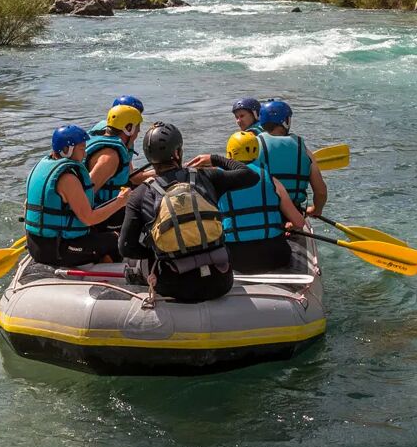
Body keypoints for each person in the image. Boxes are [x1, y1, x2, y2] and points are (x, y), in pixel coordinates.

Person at [118, 121, 260, 303]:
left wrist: (159, 250)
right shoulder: (206, 176)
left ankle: (136, 279)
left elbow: (126, 247)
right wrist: (214, 159)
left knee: (136, 260)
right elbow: (250, 176)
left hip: (175, 287)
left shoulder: (140, 194)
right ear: (177, 153)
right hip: (220, 282)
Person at [24, 124, 127, 266]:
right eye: (82, 149)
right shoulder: (68, 179)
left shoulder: (41, 167)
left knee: (97, 232)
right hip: (59, 251)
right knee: (117, 239)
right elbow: (89, 218)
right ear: (67, 150)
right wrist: (120, 201)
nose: (85, 154)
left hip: (35, 245)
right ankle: (104, 267)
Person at [219, 131, 306, 273]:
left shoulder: (216, 181)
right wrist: (287, 225)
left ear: (229, 154)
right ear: (257, 152)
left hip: (236, 260)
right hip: (275, 257)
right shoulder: (271, 180)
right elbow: (299, 223)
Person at [257, 100, 327, 217]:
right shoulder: (303, 150)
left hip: (262, 213)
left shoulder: (252, 147)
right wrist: (316, 210)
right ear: (286, 121)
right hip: (293, 214)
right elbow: (321, 192)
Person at [85, 104, 144, 232]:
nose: (138, 132)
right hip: (100, 220)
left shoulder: (112, 148)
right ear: (128, 129)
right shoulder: (110, 157)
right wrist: (119, 202)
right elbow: (84, 194)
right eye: (137, 128)